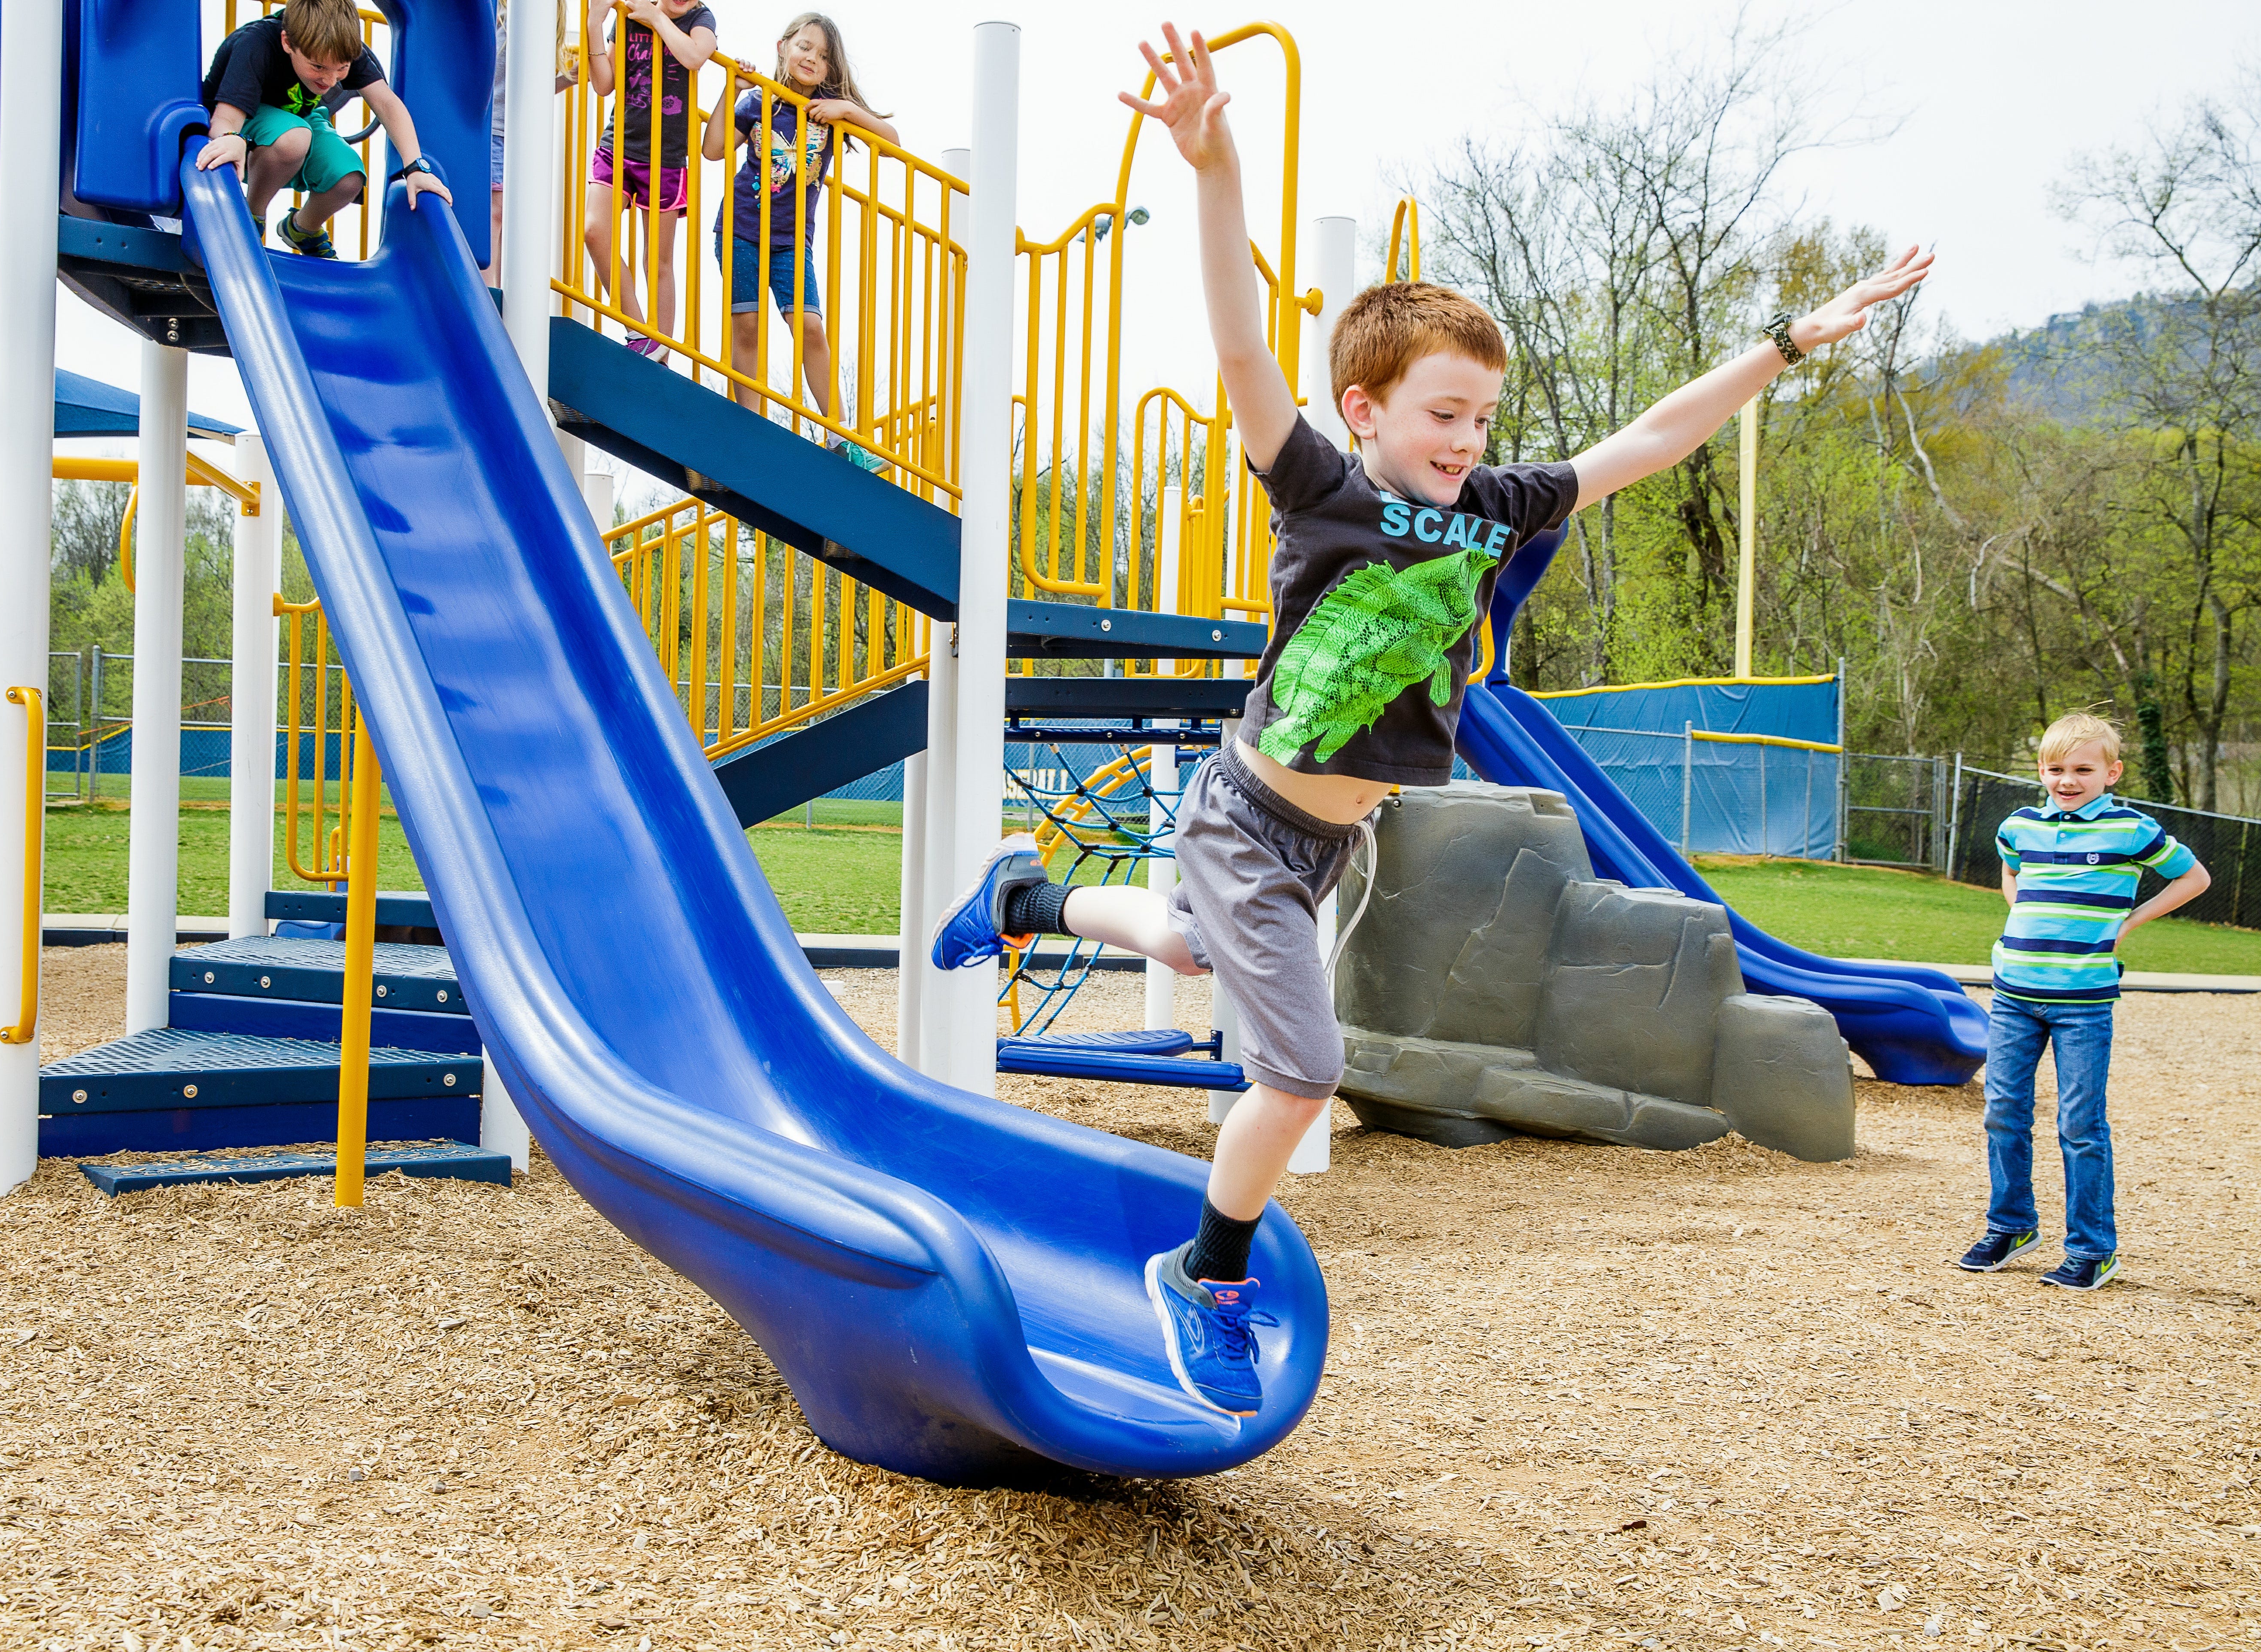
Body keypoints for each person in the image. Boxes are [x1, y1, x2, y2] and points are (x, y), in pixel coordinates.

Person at [931, 23, 1935, 1421]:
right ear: (1367, 407)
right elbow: (1235, 339)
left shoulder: (1497, 506)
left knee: (1176, 941)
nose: (1468, 436)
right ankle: (1206, 1274)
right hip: (1252, 810)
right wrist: (1215, 163)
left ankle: (1030, 898)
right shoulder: (1325, 487)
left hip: (1326, 845)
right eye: (1443, 411)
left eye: (1481, 414)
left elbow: (1648, 442)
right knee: (1301, 1067)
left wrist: (1783, 345)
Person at [1956, 713, 2210, 1292]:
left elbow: (2193, 878)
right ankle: (2012, 1225)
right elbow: (2013, 874)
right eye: (2055, 768)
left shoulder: (2131, 830)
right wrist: (2020, 923)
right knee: (2003, 1113)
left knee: (2081, 1125)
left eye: (2082, 769)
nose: (2066, 780)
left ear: (2111, 772)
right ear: (2042, 771)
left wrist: (2128, 923)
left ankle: (2094, 1250)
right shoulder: (2019, 825)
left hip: (2082, 1002)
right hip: (2014, 995)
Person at [701, 13, 895, 466]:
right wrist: (731, 88)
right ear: (782, 47)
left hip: (792, 243)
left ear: (831, 71)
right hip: (742, 230)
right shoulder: (759, 102)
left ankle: (839, 438)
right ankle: (749, 427)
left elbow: (892, 142)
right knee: (747, 326)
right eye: (805, 47)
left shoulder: (827, 114)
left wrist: (847, 110)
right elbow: (712, 150)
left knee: (810, 327)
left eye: (824, 56)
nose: (813, 58)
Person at [196, 0, 453, 258]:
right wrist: (230, 137)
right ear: (287, 43)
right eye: (318, 67)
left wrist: (415, 168)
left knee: (349, 176)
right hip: (244, 123)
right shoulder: (256, 44)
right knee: (295, 137)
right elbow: (225, 120)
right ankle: (252, 216)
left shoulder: (339, 47)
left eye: (342, 69)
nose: (330, 81)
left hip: (299, 122)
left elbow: (387, 104)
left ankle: (302, 229)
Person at [583, 0, 719, 359]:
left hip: (666, 157)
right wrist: (595, 24)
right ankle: (639, 331)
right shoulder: (628, 18)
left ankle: (661, 353)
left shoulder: (700, 19)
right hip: (620, 144)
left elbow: (694, 56)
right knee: (595, 231)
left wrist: (656, 16)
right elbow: (604, 84)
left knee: (657, 259)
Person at [482, 0, 580, 286]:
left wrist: (567, 78)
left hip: (515, 134)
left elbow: (529, 86)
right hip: (491, 130)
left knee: (510, 219)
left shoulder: (543, 16)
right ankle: (487, 295)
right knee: (494, 214)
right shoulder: (499, 13)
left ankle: (498, 295)